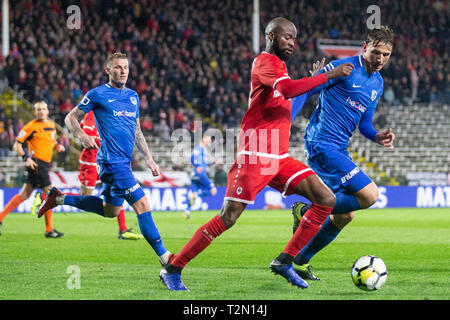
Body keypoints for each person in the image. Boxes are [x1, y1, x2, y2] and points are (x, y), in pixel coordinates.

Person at [159, 17, 354, 291]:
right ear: (272, 35)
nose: (292, 43)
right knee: (228, 217)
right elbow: (288, 89)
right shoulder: (266, 62)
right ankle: (174, 267)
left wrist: (313, 80)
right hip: (256, 154)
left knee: (325, 199)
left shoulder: (280, 66)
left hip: (279, 156)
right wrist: (328, 75)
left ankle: (285, 261)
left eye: (295, 39)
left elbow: (291, 93)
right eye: (287, 37)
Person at [38, 52, 172, 267]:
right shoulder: (97, 94)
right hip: (111, 162)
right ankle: (166, 257)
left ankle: (59, 199)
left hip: (123, 162)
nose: (123, 71)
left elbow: (137, 131)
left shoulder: (133, 96)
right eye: (118, 67)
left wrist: (150, 158)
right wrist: (82, 135)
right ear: (108, 70)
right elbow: (70, 117)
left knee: (111, 211)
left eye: (126, 67)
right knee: (143, 205)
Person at [289, 26, 396, 280]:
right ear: (364, 47)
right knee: (370, 195)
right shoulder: (343, 67)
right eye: (376, 52)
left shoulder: (377, 83)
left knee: (344, 215)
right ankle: (307, 210)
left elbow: (365, 125)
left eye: (386, 55)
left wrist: (377, 135)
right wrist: (286, 122)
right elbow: (304, 90)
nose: (380, 59)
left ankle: (300, 262)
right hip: (321, 144)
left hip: (340, 148)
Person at [0, 101, 65, 238]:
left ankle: (0, 218)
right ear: (35, 112)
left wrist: (57, 146)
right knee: (50, 194)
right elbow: (17, 144)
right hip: (37, 163)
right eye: (38, 109)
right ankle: (49, 229)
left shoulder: (51, 125)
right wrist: (26, 158)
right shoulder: (30, 126)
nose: (41, 111)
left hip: (44, 164)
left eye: (43, 109)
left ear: (47, 111)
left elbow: (51, 141)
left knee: (24, 194)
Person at [77, 110, 144, 240]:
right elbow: (88, 137)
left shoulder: (109, 113)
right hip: (90, 161)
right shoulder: (92, 114)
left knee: (118, 190)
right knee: (85, 197)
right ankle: (51, 197)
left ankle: (123, 230)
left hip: (107, 160)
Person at [183, 135, 217, 219]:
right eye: (208, 140)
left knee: (193, 194)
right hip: (200, 175)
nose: (210, 142)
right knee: (213, 191)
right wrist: (197, 165)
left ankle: (186, 212)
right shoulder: (199, 148)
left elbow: (204, 163)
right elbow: (192, 157)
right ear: (204, 140)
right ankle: (196, 195)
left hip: (195, 175)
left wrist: (212, 163)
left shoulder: (203, 150)